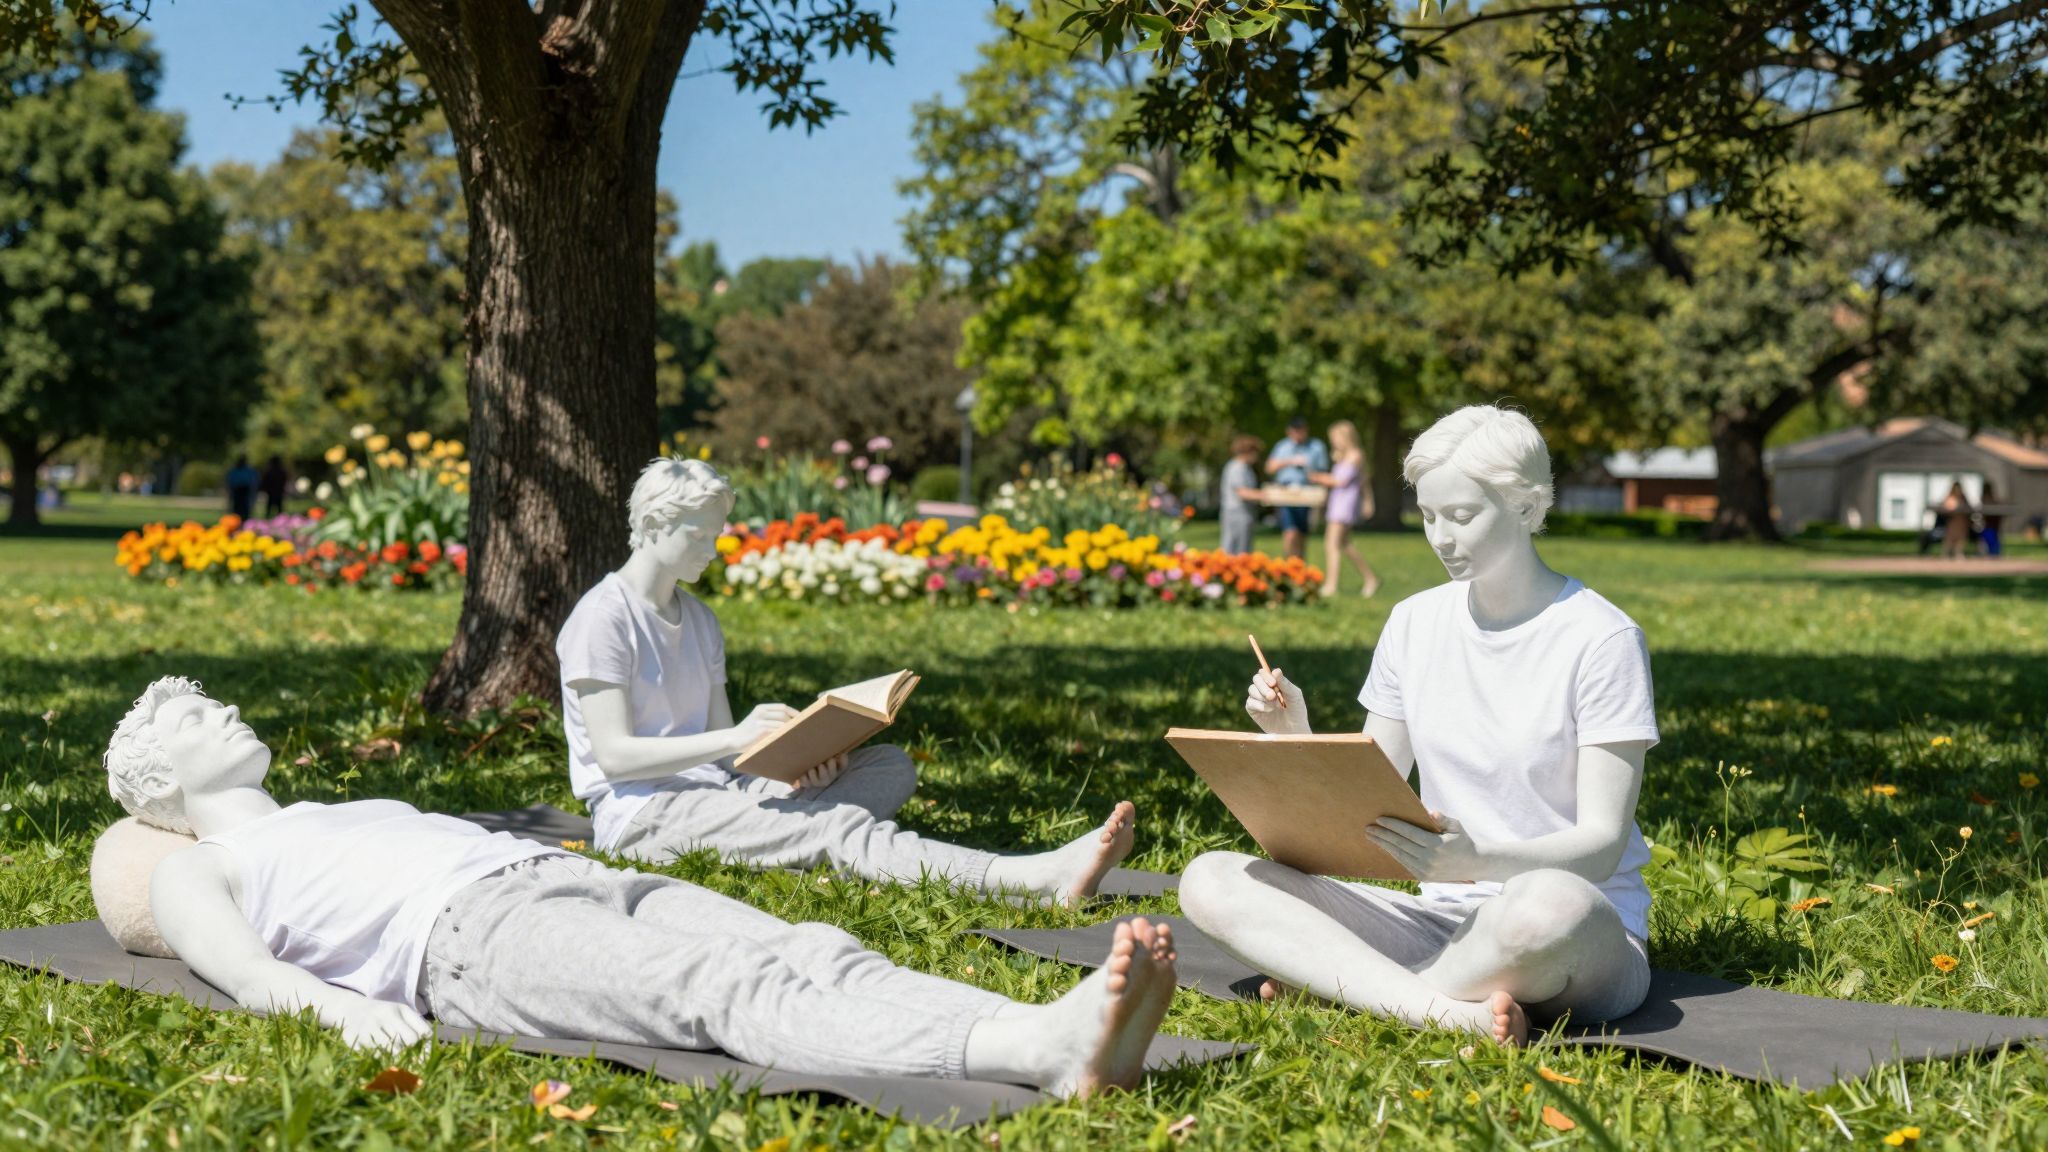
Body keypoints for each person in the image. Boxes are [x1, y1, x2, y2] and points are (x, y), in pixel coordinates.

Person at [107, 677, 1179, 1094]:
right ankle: (1028, 1052)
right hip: (470, 945)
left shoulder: (326, 811)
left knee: (806, 949)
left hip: (555, 875)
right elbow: (246, 974)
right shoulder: (205, 865)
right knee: (719, 993)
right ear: (160, 786)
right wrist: (344, 1012)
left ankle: (1039, 1018)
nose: (227, 714)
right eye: (196, 721)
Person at [1178, 404, 1657, 1046]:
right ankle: (1441, 1008)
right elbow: (1374, 790)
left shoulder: (1601, 638)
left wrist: (1477, 859)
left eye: (1462, 517)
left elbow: (1599, 846)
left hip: (1570, 930)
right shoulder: (1414, 621)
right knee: (1212, 879)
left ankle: (1345, 982)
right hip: (1435, 919)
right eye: (1429, 516)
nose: (1441, 538)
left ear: (1526, 506)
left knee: (1549, 909)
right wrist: (1294, 735)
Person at [560, 457, 1138, 905]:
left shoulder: (701, 620)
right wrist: (738, 739)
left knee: (889, 766)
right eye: (701, 535)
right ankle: (1030, 878)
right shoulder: (603, 617)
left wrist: (799, 761)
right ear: (657, 525)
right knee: (836, 827)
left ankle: (784, 834)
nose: (715, 549)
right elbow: (614, 758)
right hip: (644, 815)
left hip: (717, 793)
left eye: (718, 533)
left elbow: (724, 761)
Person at [1311, 420, 1380, 599]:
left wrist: (1317, 477)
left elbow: (1340, 481)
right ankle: (1370, 578)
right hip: (1338, 502)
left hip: (1344, 504)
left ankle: (1331, 585)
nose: (1333, 441)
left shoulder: (1355, 455)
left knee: (1331, 544)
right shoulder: (1344, 456)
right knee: (1344, 544)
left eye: (1335, 438)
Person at [1264, 418, 1329, 561]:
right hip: (1286, 493)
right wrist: (1289, 461)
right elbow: (1269, 467)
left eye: (1302, 430)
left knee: (1302, 533)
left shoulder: (1316, 447)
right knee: (1290, 532)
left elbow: (1323, 471)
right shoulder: (1282, 447)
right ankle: (1288, 563)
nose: (1299, 434)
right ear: (1289, 432)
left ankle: (1299, 564)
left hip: (1306, 493)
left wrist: (1311, 472)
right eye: (1295, 431)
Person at [1218, 435, 1264, 556]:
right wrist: (1265, 495)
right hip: (1236, 514)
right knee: (1235, 548)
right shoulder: (1236, 468)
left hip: (1244, 514)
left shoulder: (1246, 468)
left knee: (1244, 548)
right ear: (1248, 452)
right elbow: (1242, 492)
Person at [1939, 481, 1973, 560]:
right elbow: (1945, 508)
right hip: (1952, 521)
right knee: (1950, 538)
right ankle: (1946, 554)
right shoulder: (1949, 497)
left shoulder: (1963, 498)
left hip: (1961, 521)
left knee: (1961, 538)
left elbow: (1969, 509)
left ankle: (1958, 553)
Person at [225, 456, 259, 522]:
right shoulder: (234, 471)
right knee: (236, 510)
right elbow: (229, 483)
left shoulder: (249, 471)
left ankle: (245, 522)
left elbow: (253, 483)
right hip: (237, 491)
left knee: (246, 510)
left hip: (245, 491)